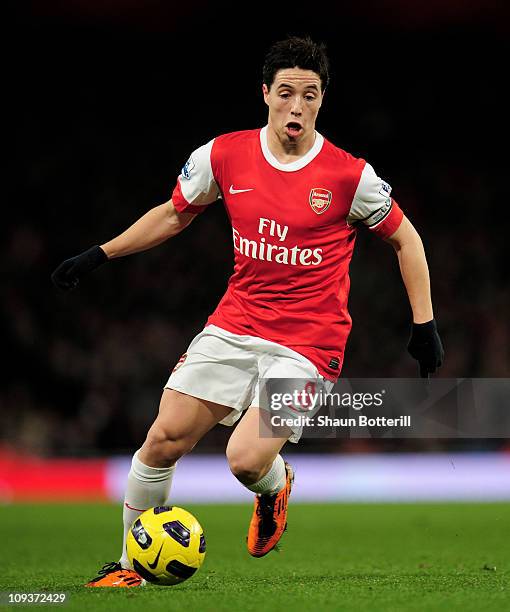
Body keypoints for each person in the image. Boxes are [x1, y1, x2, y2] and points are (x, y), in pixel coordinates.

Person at [51, 35, 444, 587]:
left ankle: (275, 485)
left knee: (244, 460)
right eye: (286, 93)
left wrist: (424, 323)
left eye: (310, 95)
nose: (297, 106)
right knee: (162, 440)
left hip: (310, 345)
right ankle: (128, 567)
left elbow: (408, 240)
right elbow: (174, 214)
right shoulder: (223, 155)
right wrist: (100, 254)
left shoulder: (349, 176)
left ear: (322, 100)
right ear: (265, 93)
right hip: (235, 325)